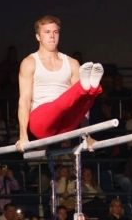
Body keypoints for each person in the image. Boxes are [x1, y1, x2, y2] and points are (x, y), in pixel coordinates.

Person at [16, 16, 104, 151]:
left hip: (64, 125)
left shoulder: (72, 63)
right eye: (47, 32)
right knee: (60, 105)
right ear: (38, 36)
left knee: (83, 100)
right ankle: (86, 87)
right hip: (40, 122)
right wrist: (23, 136)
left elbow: (82, 108)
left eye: (55, 32)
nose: (52, 36)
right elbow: (24, 100)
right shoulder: (29, 62)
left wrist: (87, 137)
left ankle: (91, 88)